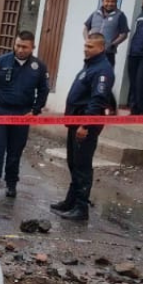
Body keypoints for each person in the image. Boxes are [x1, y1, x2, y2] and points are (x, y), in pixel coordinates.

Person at [51, 33, 116, 222]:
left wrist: (85, 125)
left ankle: (81, 208)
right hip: (75, 122)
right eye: (86, 45)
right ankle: (70, 201)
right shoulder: (90, 65)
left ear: (101, 48)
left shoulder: (103, 70)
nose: (86, 49)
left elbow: (97, 100)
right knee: (73, 162)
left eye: (91, 47)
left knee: (82, 166)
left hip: (85, 125)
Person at [0, 30, 49, 198]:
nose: (20, 49)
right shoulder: (2, 62)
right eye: (17, 45)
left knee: (15, 152)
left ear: (32, 47)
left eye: (24, 47)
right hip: (0, 112)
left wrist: (35, 111)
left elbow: (44, 90)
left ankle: (11, 185)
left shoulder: (38, 67)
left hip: (22, 115)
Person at [82, 0, 129, 69]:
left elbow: (124, 34)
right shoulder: (95, 13)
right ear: (102, 1)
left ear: (116, 2)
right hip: (92, 52)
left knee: (105, 76)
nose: (110, 4)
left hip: (107, 53)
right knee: (88, 74)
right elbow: (86, 28)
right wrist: (88, 41)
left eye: (112, 1)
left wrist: (113, 44)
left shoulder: (120, 15)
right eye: (107, 1)